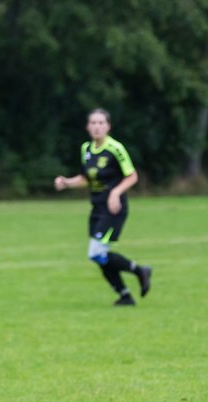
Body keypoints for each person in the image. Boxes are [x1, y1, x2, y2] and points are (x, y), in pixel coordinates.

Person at [54, 108, 153, 307]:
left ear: (108, 126)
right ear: (87, 127)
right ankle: (125, 294)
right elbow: (85, 179)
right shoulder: (86, 149)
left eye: (101, 123)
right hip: (97, 208)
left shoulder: (115, 148)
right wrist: (66, 182)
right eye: (93, 123)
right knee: (100, 256)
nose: (97, 127)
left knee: (96, 252)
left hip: (114, 209)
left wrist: (116, 193)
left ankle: (139, 270)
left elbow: (132, 176)